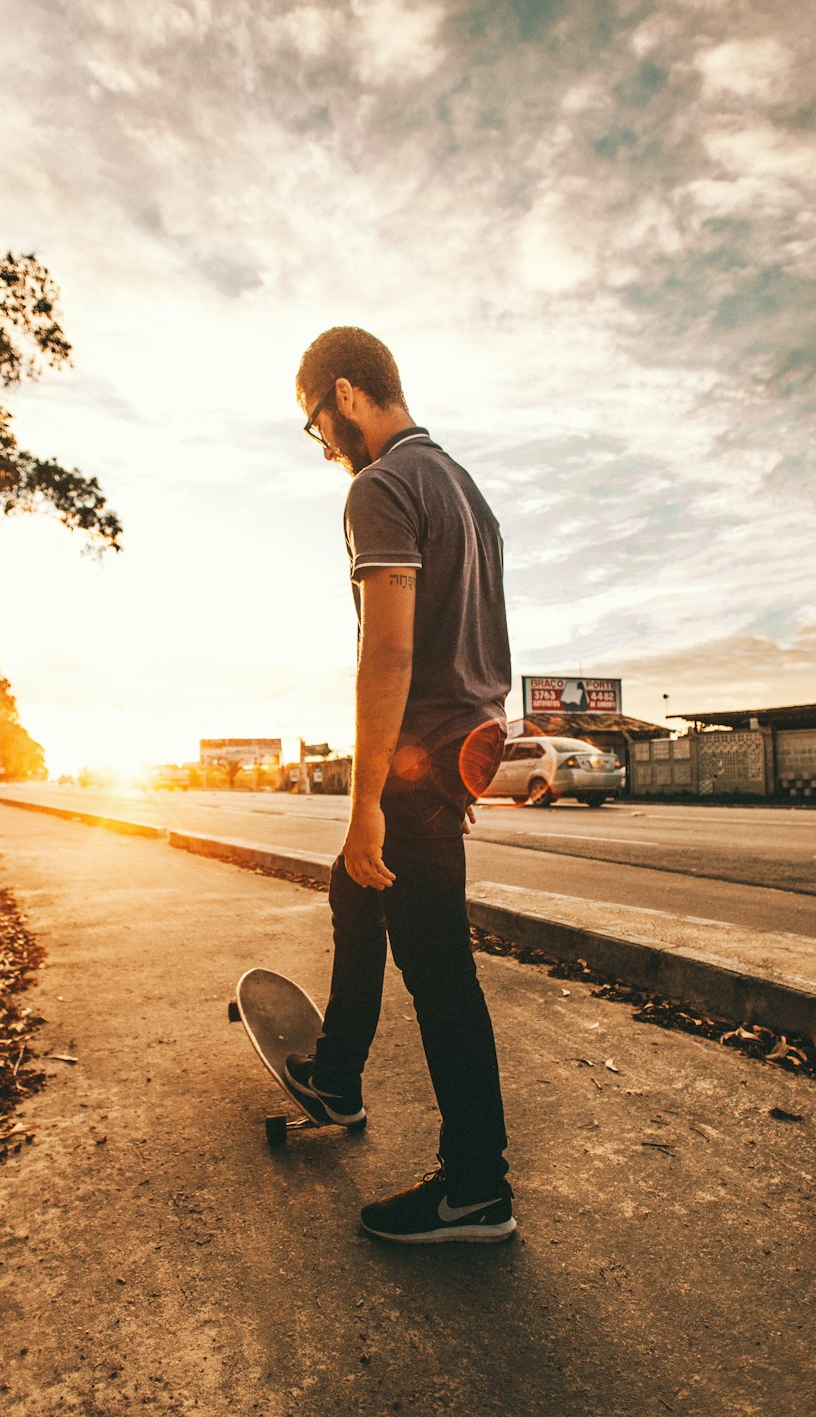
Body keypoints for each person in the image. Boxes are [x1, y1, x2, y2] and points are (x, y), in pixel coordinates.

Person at [286, 327, 515, 1245]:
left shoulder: (381, 487)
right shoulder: (463, 485)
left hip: (419, 760)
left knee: (441, 973)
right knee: (356, 893)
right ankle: (338, 1076)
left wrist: (363, 804)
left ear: (345, 394)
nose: (323, 444)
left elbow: (387, 649)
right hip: (467, 741)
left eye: (316, 423)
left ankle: (476, 1190)